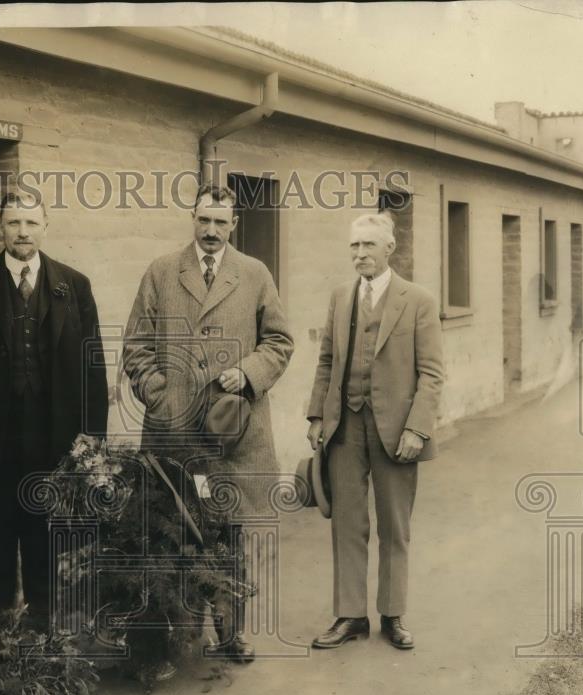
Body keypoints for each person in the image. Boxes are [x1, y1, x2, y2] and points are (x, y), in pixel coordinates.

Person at [123, 183, 294, 662]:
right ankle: (175, 634)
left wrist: (248, 372)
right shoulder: (161, 271)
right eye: (204, 220)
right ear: (192, 220)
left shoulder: (255, 274)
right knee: (172, 531)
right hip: (172, 431)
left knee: (230, 533)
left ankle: (229, 631)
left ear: (234, 224)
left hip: (233, 430)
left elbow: (280, 342)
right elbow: (135, 344)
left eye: (221, 222)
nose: (212, 230)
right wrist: (159, 394)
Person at [0, 191, 108, 631]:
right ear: (0, 227)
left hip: (54, 436)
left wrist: (92, 438)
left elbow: (93, 367)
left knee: (44, 536)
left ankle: (43, 634)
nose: (23, 232)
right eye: (14, 223)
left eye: (31, 222)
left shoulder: (74, 284)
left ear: (45, 226)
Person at [306, 212, 444, 650]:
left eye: (368, 245)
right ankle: (350, 616)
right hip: (345, 426)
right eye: (354, 246)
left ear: (390, 249)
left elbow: (432, 374)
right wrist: (316, 417)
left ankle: (393, 614)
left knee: (394, 526)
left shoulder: (418, 300)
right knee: (346, 523)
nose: (360, 253)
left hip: (397, 430)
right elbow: (327, 360)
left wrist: (417, 430)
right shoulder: (340, 297)